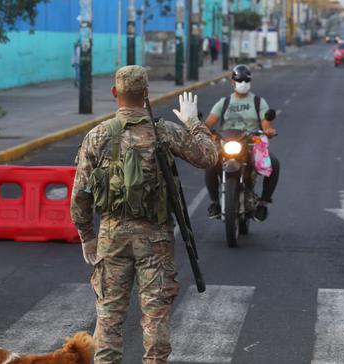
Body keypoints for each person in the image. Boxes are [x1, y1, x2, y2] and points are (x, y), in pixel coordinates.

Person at [70, 65, 218, 364]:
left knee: (109, 317)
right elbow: (209, 157)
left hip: (112, 238)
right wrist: (193, 122)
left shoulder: (98, 136)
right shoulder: (163, 132)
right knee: (156, 316)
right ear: (147, 93)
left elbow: (80, 195)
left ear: (115, 93)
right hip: (155, 238)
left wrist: (87, 236)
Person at [204, 64, 279, 221]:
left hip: (252, 144)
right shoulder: (223, 103)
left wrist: (268, 130)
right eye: (239, 80)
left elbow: (265, 123)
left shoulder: (258, 102)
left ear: (250, 81)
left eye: (246, 80)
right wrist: (202, 130)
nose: (243, 83)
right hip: (226, 143)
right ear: (233, 82)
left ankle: (263, 204)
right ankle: (215, 203)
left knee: (274, 164)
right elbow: (209, 123)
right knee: (210, 163)